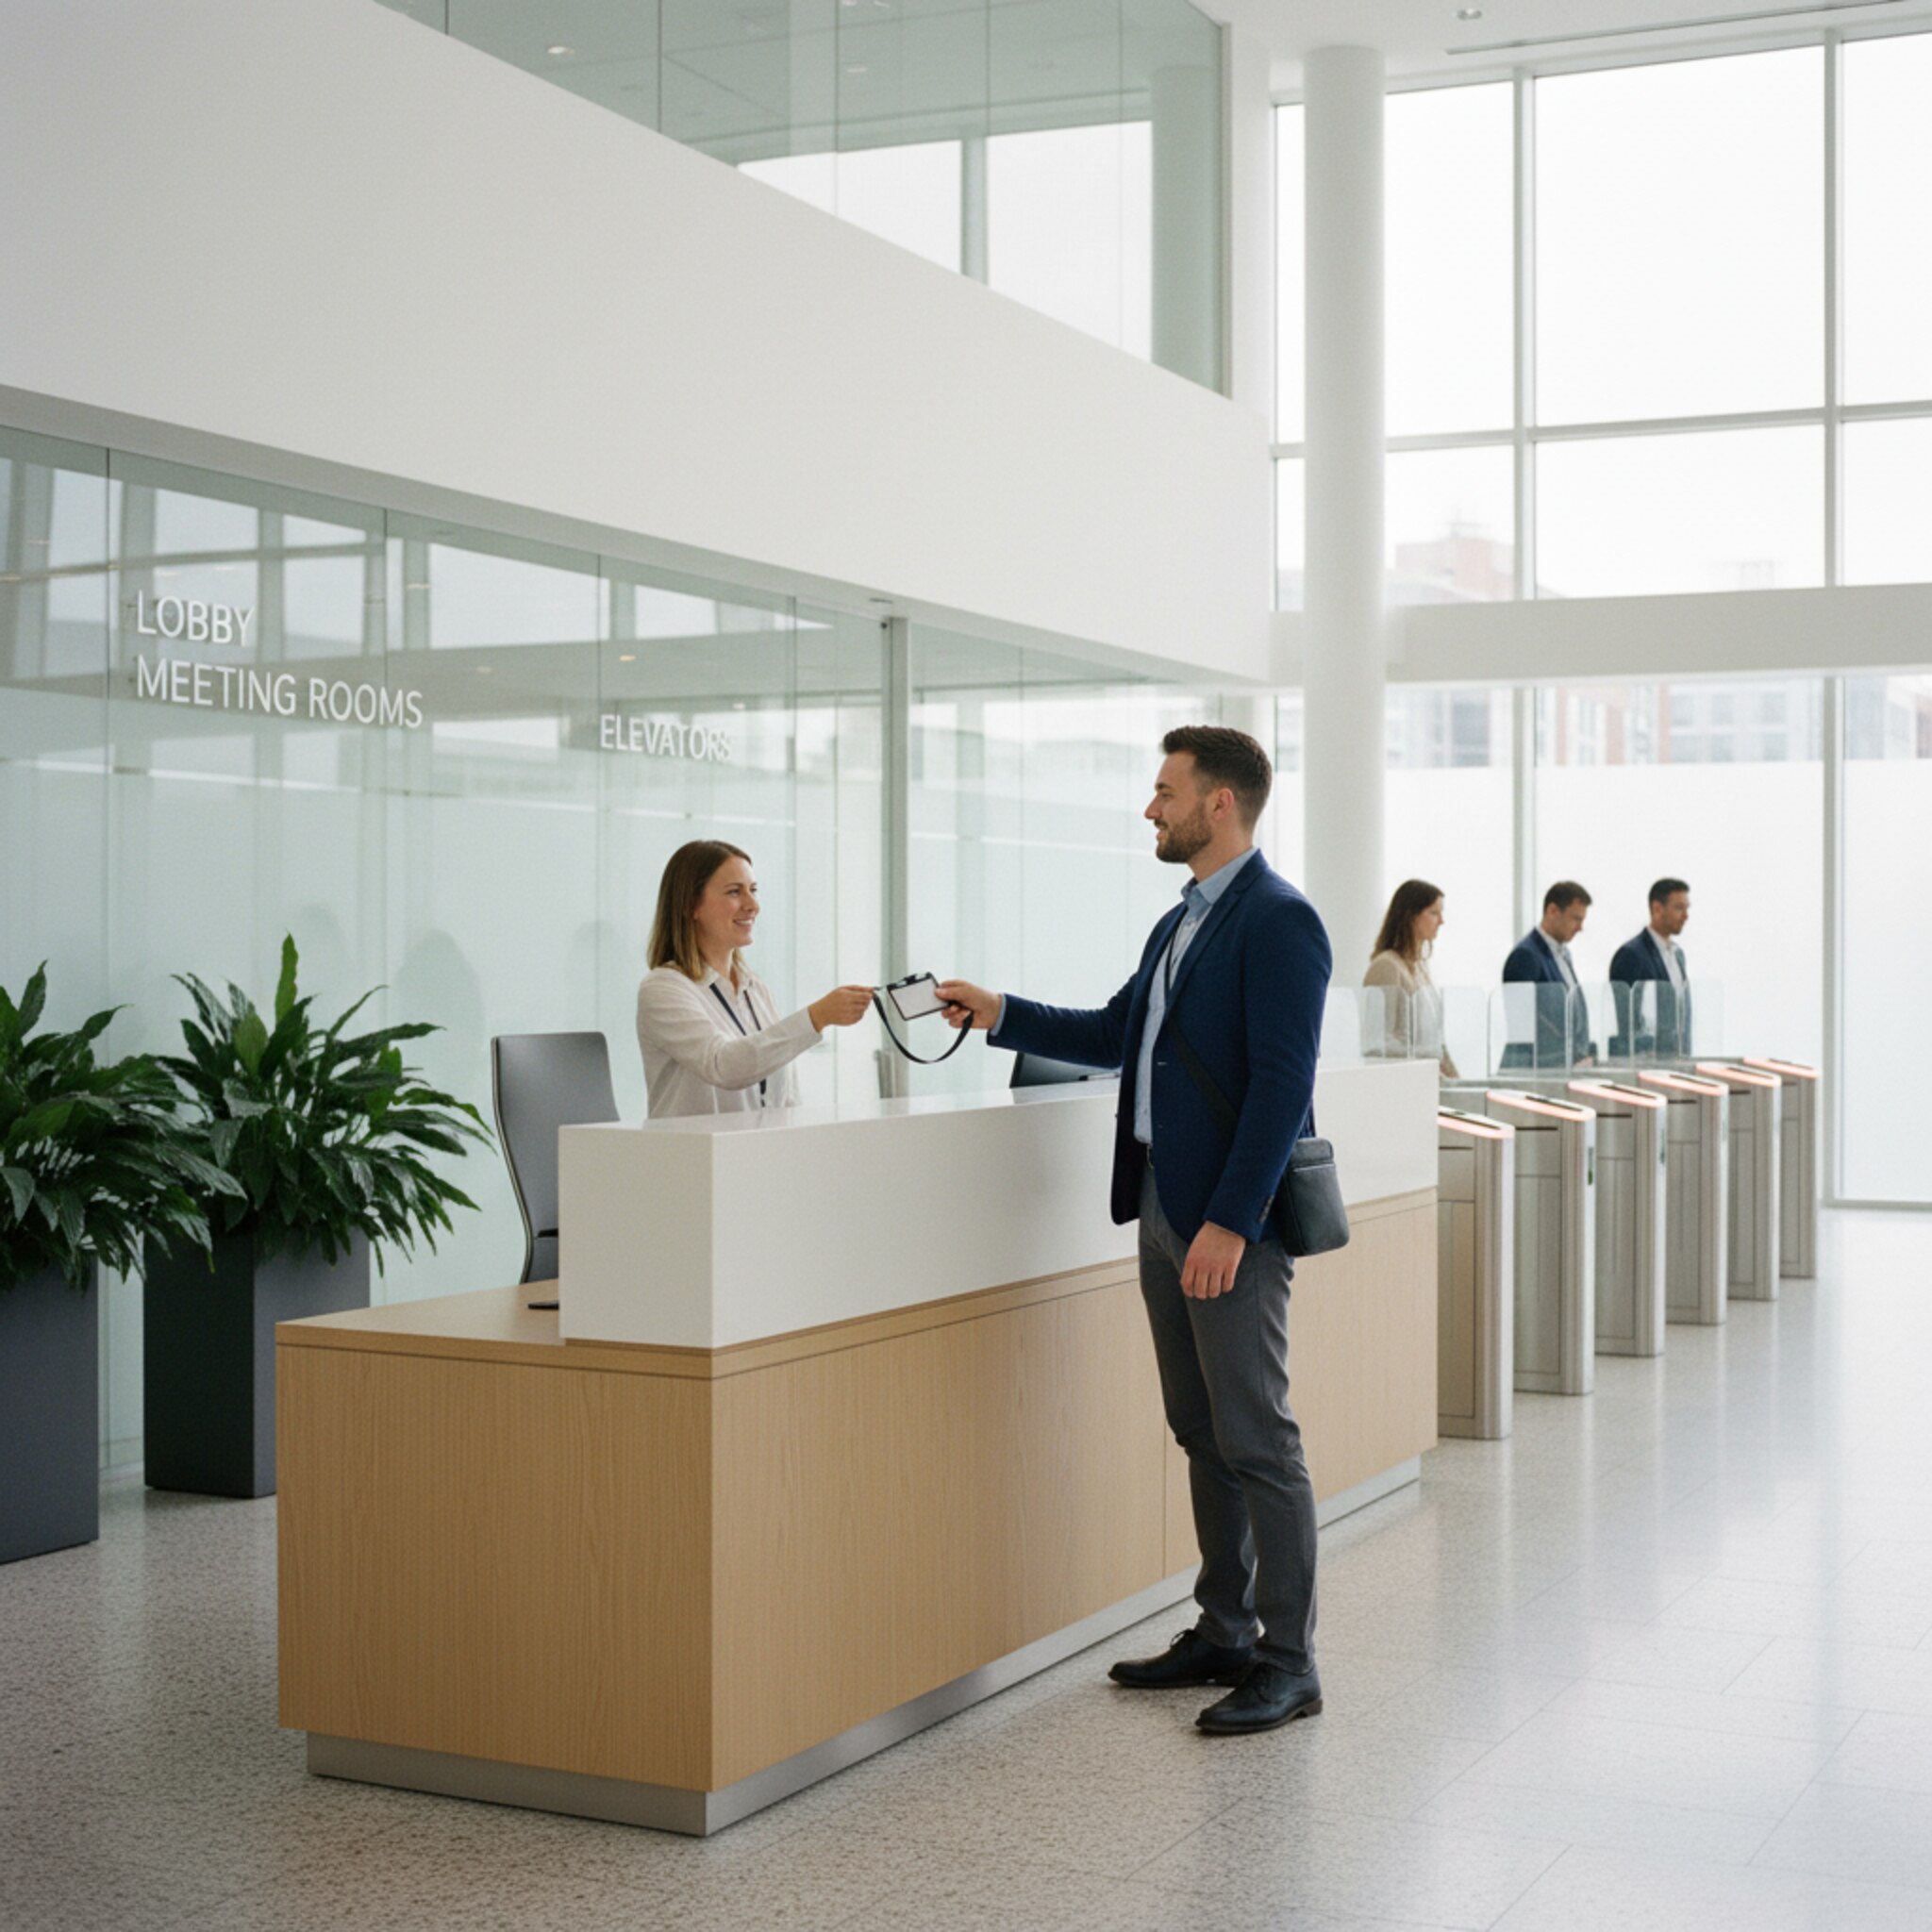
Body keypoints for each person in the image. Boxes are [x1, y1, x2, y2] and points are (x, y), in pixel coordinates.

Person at [938, 725, 1329, 1738]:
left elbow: (1284, 1088)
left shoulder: (1279, 920)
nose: (1148, 807)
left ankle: (1289, 1663)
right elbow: (1119, 1034)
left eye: (1164, 790)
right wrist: (1000, 1010)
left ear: (1219, 804)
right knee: (1200, 1428)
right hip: (1158, 1204)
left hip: (1217, 1224)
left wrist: (1229, 1226)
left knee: (1257, 1437)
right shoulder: (1180, 922)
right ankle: (1224, 1627)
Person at [636, 840, 873, 1119]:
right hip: (696, 1157)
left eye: (753, 890)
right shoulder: (664, 988)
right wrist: (815, 1017)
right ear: (691, 906)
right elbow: (722, 1065)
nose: (753, 905)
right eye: (735, 892)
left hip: (759, 1153)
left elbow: (784, 1093)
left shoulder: (755, 988)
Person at [1364, 879, 1457, 1076]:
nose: (1441, 921)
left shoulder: (1420, 967)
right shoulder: (1386, 966)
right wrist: (1425, 1058)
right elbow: (1379, 1040)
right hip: (1404, 1082)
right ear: (1411, 916)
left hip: (1427, 1079)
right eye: (1434, 913)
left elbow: (1435, 1039)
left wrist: (1455, 1080)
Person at [1501, 882, 1596, 1069]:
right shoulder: (1526, 956)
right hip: (1535, 1068)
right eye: (1576, 919)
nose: (1580, 928)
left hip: (1566, 1065)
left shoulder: (1564, 954)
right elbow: (1526, 1025)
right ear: (1553, 911)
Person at [1608, 876, 1690, 1058]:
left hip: (1677, 1058)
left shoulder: (1678, 955)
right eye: (1679, 908)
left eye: (1686, 909)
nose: (1686, 916)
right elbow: (1627, 1019)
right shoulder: (1631, 954)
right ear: (1657, 909)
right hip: (1647, 1060)